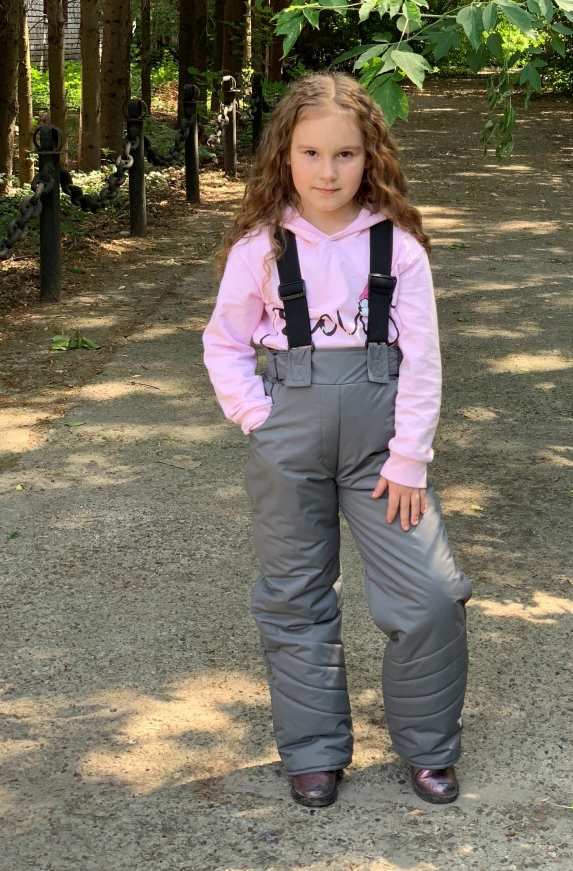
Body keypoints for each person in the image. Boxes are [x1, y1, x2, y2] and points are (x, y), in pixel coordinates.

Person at [203, 72, 472, 808]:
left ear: (370, 156)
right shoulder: (260, 247)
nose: (328, 172)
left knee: (431, 595)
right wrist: (257, 418)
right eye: (312, 153)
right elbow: (224, 342)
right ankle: (314, 751)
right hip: (288, 440)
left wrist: (410, 457)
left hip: (383, 453)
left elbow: (423, 359)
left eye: (346, 154)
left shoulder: (399, 247)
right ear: (284, 157)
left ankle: (429, 748)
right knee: (295, 596)